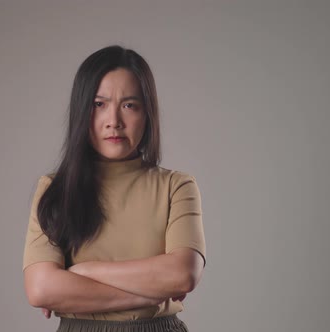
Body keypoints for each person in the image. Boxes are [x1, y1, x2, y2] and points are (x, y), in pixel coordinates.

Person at [22, 45, 206, 332]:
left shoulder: (176, 186)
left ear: (147, 113)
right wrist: (151, 294)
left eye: (129, 105)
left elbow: (183, 274)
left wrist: (83, 271)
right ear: (82, 111)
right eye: (99, 104)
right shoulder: (55, 189)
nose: (114, 122)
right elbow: (41, 289)